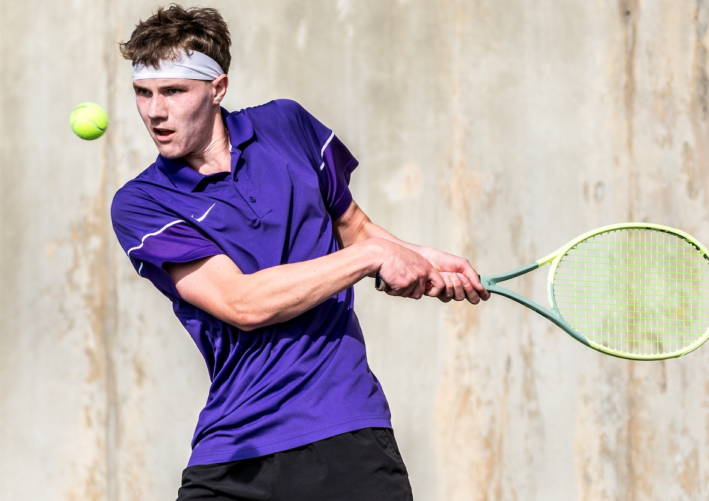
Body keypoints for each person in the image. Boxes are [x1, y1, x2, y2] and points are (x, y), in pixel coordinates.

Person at [111, 5, 490, 501]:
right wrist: (371, 259)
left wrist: (422, 257)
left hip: (344, 428)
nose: (154, 112)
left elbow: (354, 227)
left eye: (173, 92)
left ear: (217, 88)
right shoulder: (142, 202)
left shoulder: (288, 126)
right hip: (233, 448)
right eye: (143, 93)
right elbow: (243, 304)